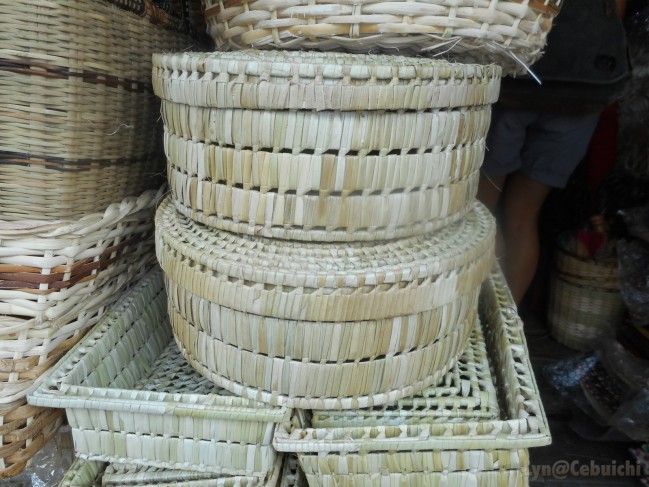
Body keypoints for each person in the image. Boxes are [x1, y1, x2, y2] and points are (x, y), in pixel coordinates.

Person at [477, 0, 629, 306]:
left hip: (516, 85)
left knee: (482, 213)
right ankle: (508, 324)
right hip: (582, 92)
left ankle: (474, 323)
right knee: (523, 215)